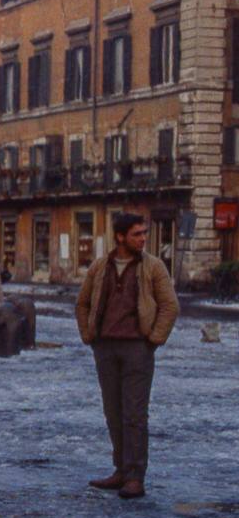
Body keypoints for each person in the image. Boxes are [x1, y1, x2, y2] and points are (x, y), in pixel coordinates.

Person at [74, 212, 179, 500]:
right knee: (113, 412)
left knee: (134, 414)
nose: (143, 239)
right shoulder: (100, 266)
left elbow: (170, 306)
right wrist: (88, 335)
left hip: (137, 349)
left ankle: (135, 476)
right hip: (105, 348)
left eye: (145, 233)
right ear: (120, 237)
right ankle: (120, 469)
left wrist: (153, 340)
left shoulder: (153, 267)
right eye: (137, 234)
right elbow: (82, 304)